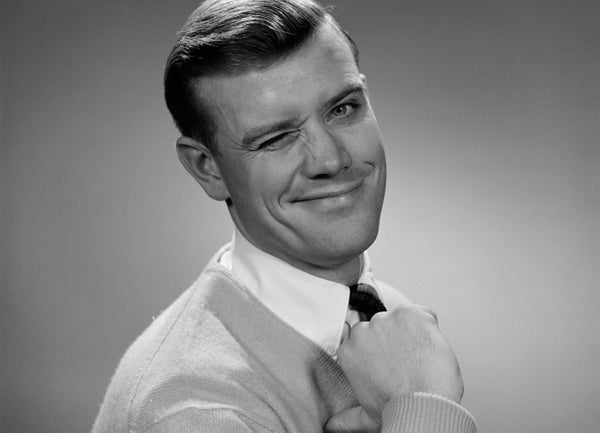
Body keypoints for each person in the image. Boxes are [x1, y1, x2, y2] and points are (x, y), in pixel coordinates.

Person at [92, 0, 478, 431]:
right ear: (208, 167)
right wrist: (423, 405)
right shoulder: (196, 409)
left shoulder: (388, 321)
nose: (330, 160)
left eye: (343, 109)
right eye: (276, 138)